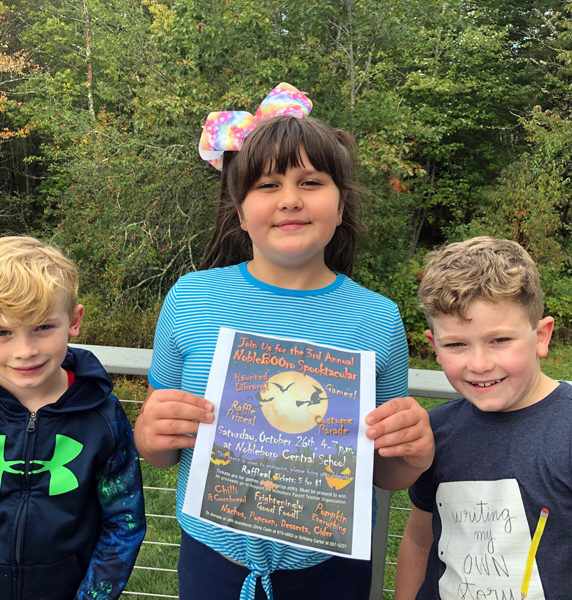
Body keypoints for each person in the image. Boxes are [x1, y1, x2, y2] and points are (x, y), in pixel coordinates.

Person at [134, 83, 434, 600]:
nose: (290, 199)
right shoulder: (190, 299)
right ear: (239, 208)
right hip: (212, 562)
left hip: (331, 571)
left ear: (341, 207)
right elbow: (160, 451)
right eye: (268, 184)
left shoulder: (378, 320)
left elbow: (384, 471)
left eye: (311, 181)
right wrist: (150, 434)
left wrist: (413, 455)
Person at [394, 236, 572, 600]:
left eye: (500, 340)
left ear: (541, 336)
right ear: (434, 348)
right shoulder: (438, 431)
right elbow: (420, 540)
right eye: (456, 344)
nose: (479, 364)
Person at [0, 236, 146, 600]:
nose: (25, 351)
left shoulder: (106, 420)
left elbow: (123, 524)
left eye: (43, 327)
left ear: (74, 321)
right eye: (2, 332)